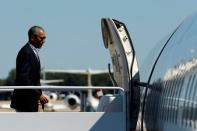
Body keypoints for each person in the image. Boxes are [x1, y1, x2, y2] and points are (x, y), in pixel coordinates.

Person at [10, 26, 48, 112]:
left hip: (31, 100)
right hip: (25, 101)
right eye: (41, 38)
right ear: (32, 38)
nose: (43, 41)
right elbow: (24, 78)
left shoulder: (32, 51)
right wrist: (39, 95)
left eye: (44, 38)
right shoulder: (26, 52)